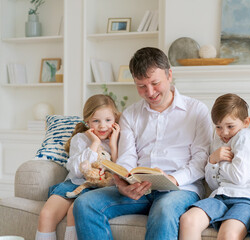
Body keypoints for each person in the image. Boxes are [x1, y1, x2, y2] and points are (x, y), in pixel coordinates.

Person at [73, 47, 213, 240]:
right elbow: (128, 156)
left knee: (164, 210)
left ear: (169, 75)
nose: (150, 92)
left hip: (180, 189)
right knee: (85, 204)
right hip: (140, 188)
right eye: (141, 86)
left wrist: (173, 179)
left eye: (155, 83)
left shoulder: (197, 111)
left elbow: (201, 160)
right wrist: (123, 183)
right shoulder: (131, 114)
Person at [179, 93, 250, 240]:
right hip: (220, 197)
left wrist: (218, 163)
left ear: (246, 122)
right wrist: (213, 160)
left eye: (230, 126)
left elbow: (238, 178)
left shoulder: (245, 137)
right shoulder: (217, 142)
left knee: (228, 234)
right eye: (219, 127)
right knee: (188, 220)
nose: (224, 132)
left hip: (246, 198)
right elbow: (213, 184)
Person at [35, 94, 121, 240]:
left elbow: (120, 170)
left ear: (115, 119)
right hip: (75, 183)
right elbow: (76, 170)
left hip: (100, 187)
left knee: (75, 212)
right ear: (87, 121)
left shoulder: (118, 139)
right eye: (96, 121)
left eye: (108, 120)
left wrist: (113, 146)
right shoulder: (80, 139)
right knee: (46, 214)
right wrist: (94, 144)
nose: (102, 126)